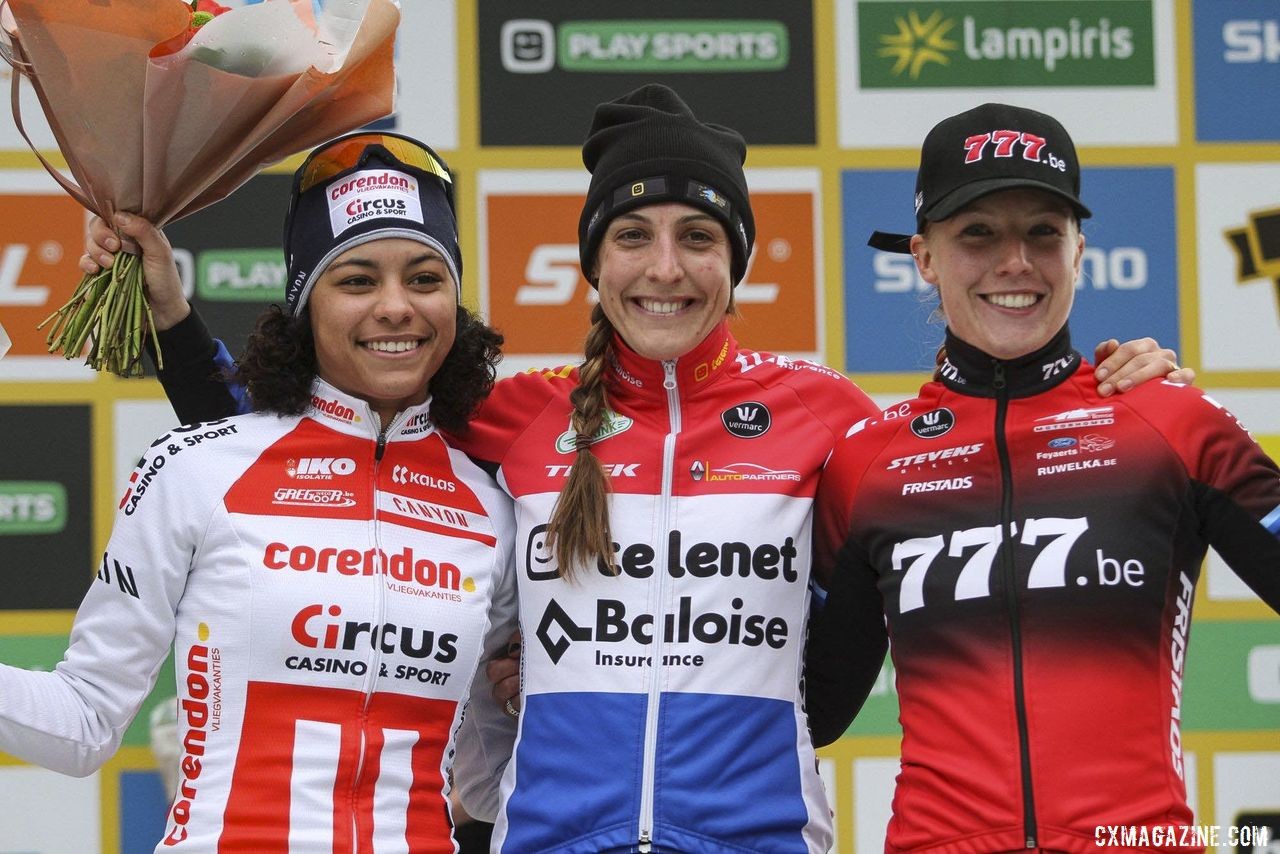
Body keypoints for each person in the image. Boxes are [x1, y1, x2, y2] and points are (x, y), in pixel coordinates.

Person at [116, 87, 1192, 852]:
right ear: (593, 260)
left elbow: (979, 457)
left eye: (697, 236)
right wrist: (168, 312)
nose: (664, 268)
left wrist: (1113, 384)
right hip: (551, 838)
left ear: (737, 260)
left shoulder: (827, 414)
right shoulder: (514, 415)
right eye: (631, 235)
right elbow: (290, 441)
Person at [0, 132, 518, 852]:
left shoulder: (491, 508)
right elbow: (83, 722)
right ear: (306, 305)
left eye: (427, 279)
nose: (397, 307)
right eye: (358, 280)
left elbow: (497, 785)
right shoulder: (198, 468)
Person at [805, 103, 1280, 853]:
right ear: (924, 257)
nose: (1015, 263)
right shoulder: (868, 463)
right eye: (977, 234)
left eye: (1042, 233)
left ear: (1080, 249)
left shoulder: (1170, 425)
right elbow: (815, 708)